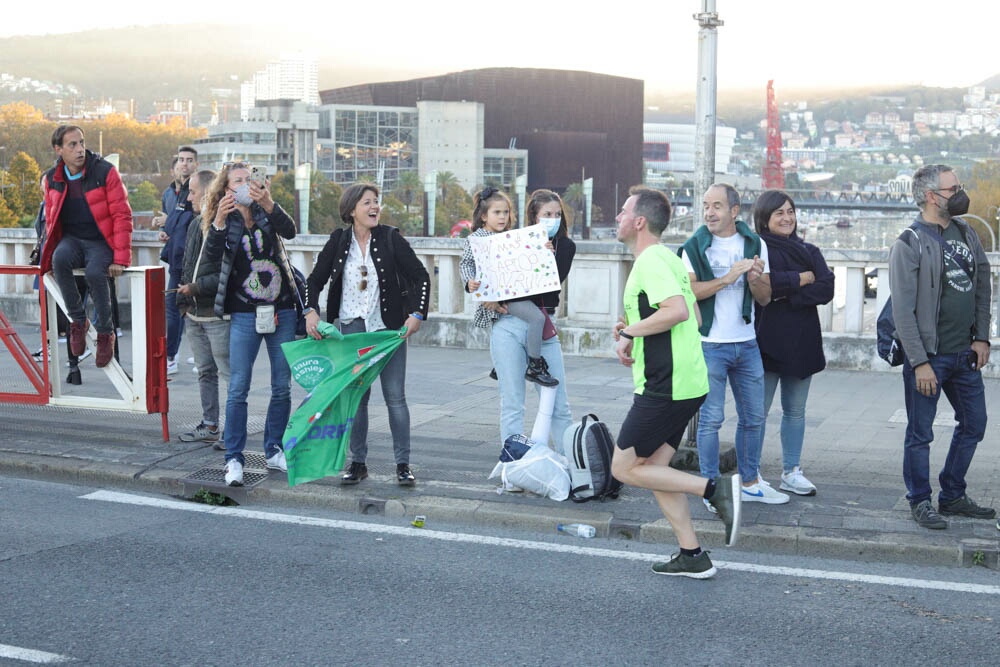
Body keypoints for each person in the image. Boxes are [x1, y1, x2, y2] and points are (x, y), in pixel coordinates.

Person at [611, 186, 740, 578]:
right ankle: (693, 554)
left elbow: (679, 312)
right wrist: (635, 327)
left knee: (623, 468)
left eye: (622, 212)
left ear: (639, 222)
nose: (617, 217)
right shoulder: (669, 258)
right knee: (654, 467)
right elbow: (695, 319)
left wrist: (631, 333)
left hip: (665, 385)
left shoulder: (649, 261)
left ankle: (712, 490)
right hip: (688, 381)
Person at [889, 164, 994, 529]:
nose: (961, 193)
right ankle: (920, 500)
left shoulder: (965, 231)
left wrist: (982, 336)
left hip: (964, 355)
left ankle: (952, 494)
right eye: (953, 189)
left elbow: (983, 285)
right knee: (921, 433)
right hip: (929, 358)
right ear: (932, 196)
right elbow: (903, 310)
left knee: (975, 423)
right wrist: (919, 362)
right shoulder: (910, 242)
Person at [304, 183, 430, 487]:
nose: (374, 207)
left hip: (388, 331)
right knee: (357, 398)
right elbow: (314, 280)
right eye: (366, 203)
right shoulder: (338, 241)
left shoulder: (390, 238)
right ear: (351, 210)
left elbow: (420, 277)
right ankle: (357, 462)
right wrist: (310, 311)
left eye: (376, 202)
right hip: (351, 330)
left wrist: (416, 314)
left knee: (395, 397)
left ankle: (403, 464)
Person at [680, 183, 788, 505]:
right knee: (711, 420)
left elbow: (765, 298)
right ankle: (710, 488)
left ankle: (750, 482)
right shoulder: (694, 246)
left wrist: (753, 277)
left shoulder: (754, 244)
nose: (709, 212)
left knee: (754, 417)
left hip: (747, 343)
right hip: (710, 344)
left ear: (734, 211)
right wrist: (728, 277)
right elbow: (689, 294)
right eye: (706, 206)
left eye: (716, 206)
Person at [203, 162, 296, 487]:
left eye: (248, 180)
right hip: (244, 312)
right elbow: (210, 260)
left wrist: (269, 204)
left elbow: (291, 230)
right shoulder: (224, 220)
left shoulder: (265, 212)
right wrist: (216, 220)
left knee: (281, 384)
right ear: (226, 189)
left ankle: (273, 448)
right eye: (238, 181)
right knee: (239, 387)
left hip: (280, 309)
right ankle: (234, 458)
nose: (245, 185)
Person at [472, 189, 575, 451]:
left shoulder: (565, 246)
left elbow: (550, 287)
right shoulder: (512, 241)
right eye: (546, 214)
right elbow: (493, 274)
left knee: (558, 403)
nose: (552, 218)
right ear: (534, 216)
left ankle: (570, 466)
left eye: (556, 214)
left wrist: (543, 256)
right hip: (508, 325)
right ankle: (513, 464)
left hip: (543, 326)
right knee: (512, 402)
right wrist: (490, 295)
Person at [752, 190, 834, 496]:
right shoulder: (757, 249)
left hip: (802, 340)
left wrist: (783, 292)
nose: (787, 218)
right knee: (756, 413)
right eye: (779, 214)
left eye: (791, 211)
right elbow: (762, 288)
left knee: (796, 411)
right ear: (764, 218)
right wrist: (800, 280)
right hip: (765, 340)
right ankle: (752, 473)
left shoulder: (809, 250)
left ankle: (792, 470)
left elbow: (826, 289)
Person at [40, 125, 132, 370]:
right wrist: (46, 258)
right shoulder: (52, 178)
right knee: (59, 260)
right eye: (73, 145)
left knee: (94, 273)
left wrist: (120, 259)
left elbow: (122, 215)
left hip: (101, 241)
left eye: (82, 143)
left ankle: (105, 333)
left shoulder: (105, 172)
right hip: (72, 239)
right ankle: (77, 322)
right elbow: (50, 221)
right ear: (58, 149)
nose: (80, 149)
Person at [460, 187, 558, 386]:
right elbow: (466, 264)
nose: (503, 217)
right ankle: (534, 365)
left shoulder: (512, 237)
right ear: (484, 216)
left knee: (532, 321)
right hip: (497, 296)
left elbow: (527, 261)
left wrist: (544, 249)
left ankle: (502, 365)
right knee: (537, 318)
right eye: (497, 212)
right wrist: (469, 282)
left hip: (512, 292)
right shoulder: (476, 239)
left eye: (506, 212)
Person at [175, 168, 228, 447]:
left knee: (230, 374)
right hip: (194, 313)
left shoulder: (226, 224)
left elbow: (227, 273)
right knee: (205, 371)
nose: (189, 197)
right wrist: (185, 302)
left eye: (193, 191)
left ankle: (232, 431)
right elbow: (187, 265)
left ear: (208, 192)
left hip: (217, 315)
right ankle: (210, 425)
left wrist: (194, 289)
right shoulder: (195, 223)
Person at [158, 146, 198, 375]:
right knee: (174, 308)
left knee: (192, 308)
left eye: (189, 160)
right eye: (181, 160)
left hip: (195, 259)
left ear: (196, 165)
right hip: (176, 258)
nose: (184, 164)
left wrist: (169, 222)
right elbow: (175, 224)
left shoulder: (201, 189)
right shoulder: (172, 193)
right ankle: (171, 356)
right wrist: (166, 228)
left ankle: (186, 355)